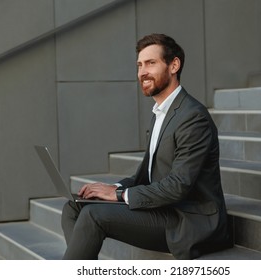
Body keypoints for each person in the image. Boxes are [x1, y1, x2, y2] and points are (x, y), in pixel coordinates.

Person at [61, 33, 232, 260]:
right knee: (74, 207)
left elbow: (177, 186)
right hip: (164, 208)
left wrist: (119, 194)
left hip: (189, 221)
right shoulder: (162, 112)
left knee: (93, 215)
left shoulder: (193, 117)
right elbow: (148, 175)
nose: (142, 72)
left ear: (174, 65)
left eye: (151, 63)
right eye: (140, 65)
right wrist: (110, 188)